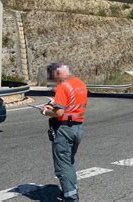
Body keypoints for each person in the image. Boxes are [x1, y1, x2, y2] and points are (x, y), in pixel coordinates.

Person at [41, 63, 87, 201]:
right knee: (69, 162)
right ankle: (71, 190)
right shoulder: (80, 84)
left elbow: (59, 112)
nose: (53, 80)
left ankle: (71, 197)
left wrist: (45, 111)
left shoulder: (63, 86)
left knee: (62, 166)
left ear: (57, 73)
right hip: (77, 127)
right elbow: (73, 104)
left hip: (64, 129)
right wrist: (55, 103)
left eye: (53, 76)